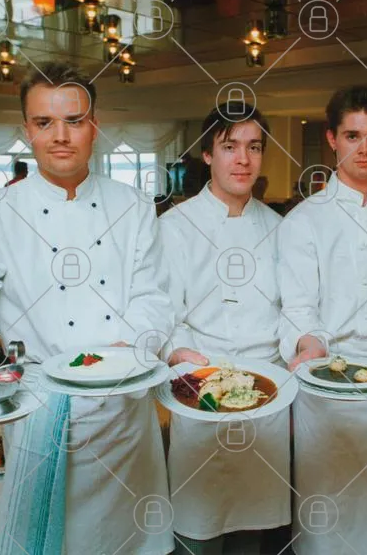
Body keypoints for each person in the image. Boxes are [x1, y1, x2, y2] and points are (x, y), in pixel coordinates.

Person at [0, 61, 175, 555]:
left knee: (131, 542)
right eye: (44, 122)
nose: (60, 136)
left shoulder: (135, 207)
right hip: (41, 414)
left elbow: (154, 298)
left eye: (74, 121)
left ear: (94, 126)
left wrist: (123, 352)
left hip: (124, 413)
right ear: (27, 130)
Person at [277, 86, 367, 555]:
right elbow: (297, 307)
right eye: (353, 136)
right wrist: (310, 345)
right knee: (328, 525)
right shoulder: (304, 219)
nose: (365, 148)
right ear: (332, 139)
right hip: (327, 380)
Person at [159, 104, 289, 554]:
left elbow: (291, 311)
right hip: (202, 393)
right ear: (207, 154)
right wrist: (180, 354)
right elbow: (165, 313)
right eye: (230, 147)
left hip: (266, 397)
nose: (243, 159)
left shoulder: (279, 228)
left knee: (253, 533)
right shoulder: (174, 227)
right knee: (198, 529)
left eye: (254, 147)